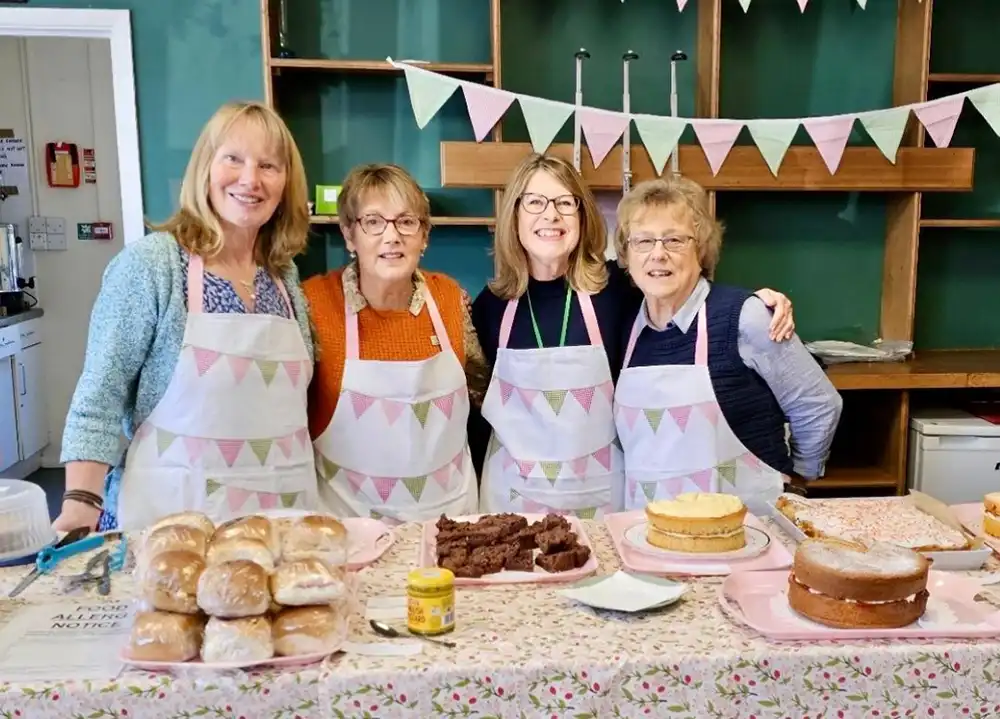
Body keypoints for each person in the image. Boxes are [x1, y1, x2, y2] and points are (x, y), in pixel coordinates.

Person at [471, 153, 796, 517]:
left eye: (565, 202)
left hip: (600, 496)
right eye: (534, 202)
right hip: (511, 496)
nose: (551, 215)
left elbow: (684, 288)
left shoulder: (618, 289)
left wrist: (757, 302)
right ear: (514, 216)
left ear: (583, 216)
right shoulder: (490, 306)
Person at [56, 101, 316, 531]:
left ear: (286, 183)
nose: (250, 179)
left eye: (269, 165)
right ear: (205, 168)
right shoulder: (153, 265)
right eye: (233, 158)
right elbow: (99, 395)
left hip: (277, 526)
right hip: (166, 527)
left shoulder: (284, 278)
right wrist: (80, 506)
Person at [612, 176, 843, 515]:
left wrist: (798, 479)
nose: (657, 255)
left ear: (701, 248)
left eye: (674, 240)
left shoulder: (747, 316)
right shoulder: (625, 323)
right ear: (627, 254)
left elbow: (818, 404)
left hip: (748, 527)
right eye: (643, 241)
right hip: (651, 529)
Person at [304, 163, 488, 523]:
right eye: (373, 222)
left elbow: (484, 396)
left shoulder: (451, 298)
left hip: (452, 528)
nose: (392, 236)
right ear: (348, 235)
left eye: (406, 221)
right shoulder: (313, 304)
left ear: (424, 235)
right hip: (354, 533)